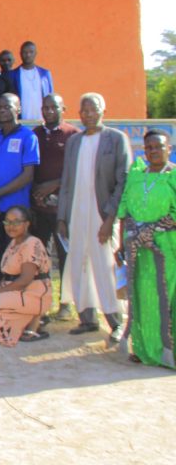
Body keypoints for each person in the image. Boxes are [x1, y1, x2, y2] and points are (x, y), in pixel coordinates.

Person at [57, 93, 131, 342]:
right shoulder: (74, 142)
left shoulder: (116, 139)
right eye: (84, 110)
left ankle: (116, 322)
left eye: (93, 109)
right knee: (79, 263)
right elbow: (66, 181)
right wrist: (62, 217)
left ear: (103, 111)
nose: (88, 114)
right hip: (76, 213)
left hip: (102, 214)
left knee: (105, 265)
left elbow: (123, 182)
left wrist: (110, 219)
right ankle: (87, 318)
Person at [118, 129, 176, 367]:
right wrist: (124, 240)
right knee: (141, 296)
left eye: (159, 146)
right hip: (138, 250)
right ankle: (144, 350)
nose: (153, 151)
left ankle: (167, 351)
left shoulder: (173, 176)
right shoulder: (137, 175)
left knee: (165, 295)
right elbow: (124, 209)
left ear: (169, 149)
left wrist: (152, 230)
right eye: (149, 147)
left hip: (166, 248)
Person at [0, 94, 40, 288]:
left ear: (18, 109)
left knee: (16, 260)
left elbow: (27, 175)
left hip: (16, 212)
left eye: (7, 106)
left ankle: (17, 299)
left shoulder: (28, 137)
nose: (2, 111)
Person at [0, 206, 53, 346]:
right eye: (7, 222)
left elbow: (25, 280)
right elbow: (8, 275)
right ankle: (30, 319)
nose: (11, 226)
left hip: (32, 294)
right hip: (15, 292)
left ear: (26, 224)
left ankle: (33, 318)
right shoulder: (14, 242)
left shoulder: (31, 243)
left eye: (16, 222)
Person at [31, 94, 79, 316]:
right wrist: (37, 190)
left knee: (65, 254)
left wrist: (53, 185)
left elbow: (76, 170)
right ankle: (44, 299)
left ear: (63, 109)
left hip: (63, 208)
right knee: (42, 255)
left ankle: (66, 303)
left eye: (54, 107)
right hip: (39, 207)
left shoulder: (73, 135)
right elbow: (30, 167)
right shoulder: (35, 134)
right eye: (45, 107)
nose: (49, 111)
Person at [7, 41, 54, 122]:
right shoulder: (13, 75)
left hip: (43, 121)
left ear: (35, 53)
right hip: (21, 121)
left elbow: (50, 96)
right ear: (20, 54)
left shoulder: (45, 74)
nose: (28, 55)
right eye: (25, 52)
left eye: (31, 52)